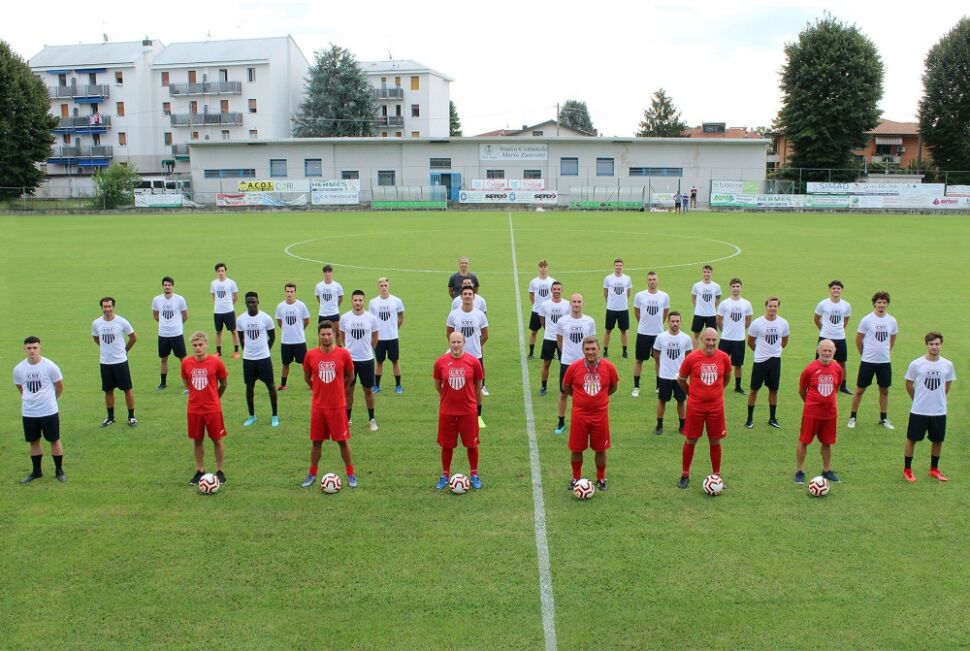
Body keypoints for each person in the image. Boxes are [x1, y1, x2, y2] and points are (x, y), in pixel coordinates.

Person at [301, 320, 358, 489]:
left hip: (338, 406)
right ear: (318, 336)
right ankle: (312, 474)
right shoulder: (310, 355)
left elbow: (351, 376)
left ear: (334, 335)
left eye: (329, 334)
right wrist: (318, 390)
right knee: (316, 443)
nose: (326, 337)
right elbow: (307, 377)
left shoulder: (344, 354)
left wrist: (340, 390)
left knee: (343, 441)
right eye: (323, 334)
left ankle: (350, 474)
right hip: (318, 407)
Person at [676, 327, 732, 489]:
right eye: (708, 340)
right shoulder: (692, 358)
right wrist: (691, 394)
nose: (711, 343)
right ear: (701, 340)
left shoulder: (723, 358)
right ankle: (685, 474)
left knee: (715, 440)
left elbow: (726, 377)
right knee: (691, 439)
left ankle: (716, 475)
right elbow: (681, 379)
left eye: (714, 340)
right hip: (696, 407)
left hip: (716, 407)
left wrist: (717, 391)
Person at [563, 336, 619, 491]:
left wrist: (600, 399)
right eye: (587, 349)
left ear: (599, 350)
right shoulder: (574, 367)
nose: (590, 352)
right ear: (583, 350)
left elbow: (613, 387)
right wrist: (580, 399)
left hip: (600, 416)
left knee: (601, 449)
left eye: (593, 349)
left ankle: (601, 478)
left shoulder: (609, 367)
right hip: (579, 415)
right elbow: (566, 386)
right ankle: (575, 478)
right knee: (576, 448)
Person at [433, 331, 485, 490]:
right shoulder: (440, 362)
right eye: (453, 342)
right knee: (446, 445)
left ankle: (474, 475)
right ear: (449, 343)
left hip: (468, 411)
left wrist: (468, 398)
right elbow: (437, 384)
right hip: (447, 411)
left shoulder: (473, 362)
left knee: (472, 445)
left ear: (464, 343)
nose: (455, 345)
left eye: (458, 342)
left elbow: (478, 383)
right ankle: (445, 475)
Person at [903, 332, 955, 483]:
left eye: (937, 344)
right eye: (931, 344)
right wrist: (916, 399)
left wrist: (937, 400)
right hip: (919, 410)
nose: (934, 347)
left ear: (941, 345)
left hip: (939, 411)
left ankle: (934, 469)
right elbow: (908, 384)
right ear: (926, 345)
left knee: (937, 440)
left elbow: (947, 386)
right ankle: (907, 469)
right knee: (912, 439)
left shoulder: (947, 365)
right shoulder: (916, 364)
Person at [14, 336, 65, 484]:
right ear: (24, 349)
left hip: (48, 411)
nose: (32, 351)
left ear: (40, 348)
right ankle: (37, 472)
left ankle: (59, 471)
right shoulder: (19, 369)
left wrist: (51, 400)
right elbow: (20, 388)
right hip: (29, 412)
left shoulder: (50, 366)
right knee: (33, 441)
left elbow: (60, 387)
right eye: (29, 348)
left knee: (54, 440)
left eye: (35, 348)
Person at [181, 331, 229, 485]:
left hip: (212, 409)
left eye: (200, 345)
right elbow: (186, 383)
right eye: (195, 345)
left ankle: (220, 471)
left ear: (207, 344)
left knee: (217, 439)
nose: (198, 348)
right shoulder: (186, 363)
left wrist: (215, 398)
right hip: (194, 409)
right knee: (197, 441)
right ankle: (200, 470)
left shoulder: (216, 363)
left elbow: (224, 383)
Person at [795, 339, 843, 485]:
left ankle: (827, 470)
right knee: (804, 441)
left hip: (829, 413)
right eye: (824, 350)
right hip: (812, 413)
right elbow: (802, 390)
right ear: (818, 351)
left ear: (834, 352)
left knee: (827, 443)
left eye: (830, 350)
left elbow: (837, 387)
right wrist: (812, 403)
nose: (827, 353)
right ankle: (799, 471)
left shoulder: (837, 368)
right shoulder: (809, 369)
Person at [848, 291, 898, 430]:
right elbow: (858, 339)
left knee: (884, 390)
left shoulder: (892, 321)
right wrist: (863, 354)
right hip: (868, 361)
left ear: (887, 304)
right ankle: (853, 417)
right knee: (859, 390)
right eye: (879, 302)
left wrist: (886, 352)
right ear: (874, 304)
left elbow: (892, 338)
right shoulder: (867, 320)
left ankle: (883, 418)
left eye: (884, 302)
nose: (881, 305)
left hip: (884, 362)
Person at [92, 296, 138, 428]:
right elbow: (96, 338)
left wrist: (125, 351)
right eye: (104, 307)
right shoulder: (96, 323)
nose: (107, 309)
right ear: (101, 308)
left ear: (113, 307)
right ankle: (110, 417)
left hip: (120, 362)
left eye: (109, 306)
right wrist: (105, 349)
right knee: (108, 390)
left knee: (127, 389)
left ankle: (131, 417)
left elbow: (133, 338)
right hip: (105, 362)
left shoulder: (122, 322)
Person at [447, 286, 489, 427]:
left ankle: (478, 416)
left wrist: (476, 345)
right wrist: (457, 348)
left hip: (476, 356)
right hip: (458, 357)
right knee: (457, 385)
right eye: (464, 294)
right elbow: (449, 334)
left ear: (473, 296)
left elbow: (485, 335)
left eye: (469, 294)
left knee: (477, 387)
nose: (467, 296)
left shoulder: (480, 315)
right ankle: (456, 413)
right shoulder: (454, 314)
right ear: (461, 296)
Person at [745, 297, 790, 429]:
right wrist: (758, 351)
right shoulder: (757, 323)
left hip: (775, 361)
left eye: (775, 306)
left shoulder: (783, 323)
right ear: (766, 306)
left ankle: (772, 418)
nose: (773, 309)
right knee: (754, 390)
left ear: (778, 307)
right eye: (770, 306)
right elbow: (751, 341)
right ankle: (749, 419)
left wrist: (778, 350)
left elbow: (785, 339)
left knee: (774, 390)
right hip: (760, 361)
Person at [554, 293, 596, 435]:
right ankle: (561, 422)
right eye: (574, 301)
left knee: (586, 393)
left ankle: (585, 421)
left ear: (582, 303)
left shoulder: (589, 321)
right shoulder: (562, 321)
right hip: (567, 363)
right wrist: (566, 353)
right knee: (563, 393)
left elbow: (591, 343)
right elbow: (559, 341)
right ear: (570, 303)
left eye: (579, 301)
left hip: (584, 364)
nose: (576, 304)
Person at [339, 289, 380, 431]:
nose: (358, 303)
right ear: (351, 301)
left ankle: (372, 419)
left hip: (367, 359)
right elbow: (342, 336)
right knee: (348, 390)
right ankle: (347, 418)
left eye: (360, 300)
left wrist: (369, 349)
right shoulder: (345, 318)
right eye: (355, 300)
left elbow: (375, 336)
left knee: (368, 390)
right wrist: (348, 350)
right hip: (349, 361)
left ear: (364, 301)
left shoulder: (371, 318)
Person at [236, 291, 278, 427]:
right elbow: (241, 337)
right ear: (246, 303)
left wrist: (266, 349)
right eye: (249, 302)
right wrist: (246, 350)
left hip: (264, 358)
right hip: (248, 359)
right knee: (249, 387)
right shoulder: (241, 319)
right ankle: (252, 416)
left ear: (258, 302)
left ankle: (275, 416)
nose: (251, 304)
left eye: (253, 301)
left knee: (271, 386)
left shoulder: (265, 318)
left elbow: (272, 336)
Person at [652, 311, 692, 435]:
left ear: (681, 322)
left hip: (680, 377)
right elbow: (656, 354)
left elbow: (688, 356)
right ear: (668, 321)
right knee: (662, 400)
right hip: (665, 376)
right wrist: (664, 366)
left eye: (677, 321)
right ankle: (659, 425)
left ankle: (682, 425)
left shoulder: (686, 338)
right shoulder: (661, 337)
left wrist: (683, 372)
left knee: (681, 401)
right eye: (673, 321)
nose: (675, 323)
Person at [631, 270, 669, 397]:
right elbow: (636, 311)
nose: (652, 281)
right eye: (650, 279)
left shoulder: (664, 296)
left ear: (657, 280)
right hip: (643, 333)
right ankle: (636, 387)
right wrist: (643, 323)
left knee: (659, 360)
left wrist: (659, 325)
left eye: (654, 279)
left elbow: (665, 312)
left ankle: (659, 386)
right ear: (647, 281)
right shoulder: (640, 296)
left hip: (658, 334)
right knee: (639, 360)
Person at [814, 280, 853, 394]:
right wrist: (823, 329)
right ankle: (816, 383)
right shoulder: (823, 304)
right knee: (819, 361)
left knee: (842, 362)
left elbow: (846, 319)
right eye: (834, 288)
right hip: (825, 337)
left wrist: (839, 329)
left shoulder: (846, 305)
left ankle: (843, 386)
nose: (836, 290)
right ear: (830, 290)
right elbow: (816, 318)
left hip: (840, 337)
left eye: (838, 288)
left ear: (841, 290)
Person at [716, 277, 753, 395]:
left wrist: (740, 330)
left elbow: (748, 320)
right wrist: (725, 330)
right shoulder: (724, 304)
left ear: (741, 288)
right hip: (726, 338)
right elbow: (719, 320)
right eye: (733, 286)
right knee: (721, 363)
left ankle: (738, 386)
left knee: (738, 364)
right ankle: (718, 385)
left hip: (739, 339)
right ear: (730, 288)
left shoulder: (746, 303)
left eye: (738, 286)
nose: (736, 289)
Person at [368, 277, 406, 394]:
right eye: (381, 286)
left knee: (395, 361)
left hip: (392, 337)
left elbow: (401, 317)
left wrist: (395, 328)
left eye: (385, 285)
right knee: (379, 362)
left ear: (389, 286)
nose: (384, 288)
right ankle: (376, 385)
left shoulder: (396, 301)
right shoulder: (373, 302)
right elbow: (371, 321)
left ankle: (398, 385)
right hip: (379, 338)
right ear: (378, 287)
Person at [151, 276, 188, 392]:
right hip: (163, 334)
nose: (167, 287)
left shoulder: (179, 299)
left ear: (172, 286)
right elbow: (156, 315)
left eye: (169, 285)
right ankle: (163, 383)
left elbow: (185, 316)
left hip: (176, 334)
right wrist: (164, 324)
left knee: (183, 359)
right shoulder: (157, 300)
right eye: (165, 285)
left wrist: (177, 325)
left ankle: (187, 384)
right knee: (163, 359)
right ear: (162, 286)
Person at [274, 283, 310, 391]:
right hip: (286, 341)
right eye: (288, 291)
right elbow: (279, 322)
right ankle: (283, 385)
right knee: (285, 364)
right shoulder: (280, 306)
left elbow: (306, 320)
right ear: (284, 292)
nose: (289, 294)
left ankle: (311, 383)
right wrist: (287, 330)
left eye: (292, 291)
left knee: (304, 363)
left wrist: (299, 329)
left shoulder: (301, 305)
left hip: (299, 340)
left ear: (295, 292)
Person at [538, 281, 570, 396]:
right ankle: (543, 386)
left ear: (562, 290)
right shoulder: (545, 305)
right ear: (551, 290)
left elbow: (570, 320)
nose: (556, 291)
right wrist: (549, 330)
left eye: (558, 289)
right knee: (546, 363)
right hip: (549, 338)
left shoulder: (567, 304)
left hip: (563, 339)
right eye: (554, 289)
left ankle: (565, 386)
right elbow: (542, 320)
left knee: (565, 363)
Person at [602, 258, 633, 359]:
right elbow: (605, 292)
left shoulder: (627, 278)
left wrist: (622, 301)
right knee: (608, 330)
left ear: (623, 266)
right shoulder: (608, 278)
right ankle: (605, 350)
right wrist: (610, 302)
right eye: (617, 265)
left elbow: (628, 292)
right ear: (614, 266)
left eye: (620, 265)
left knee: (624, 330)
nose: (618, 267)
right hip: (611, 309)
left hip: (623, 309)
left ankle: (625, 351)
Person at [210, 262, 240, 358]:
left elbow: (235, 297)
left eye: (222, 271)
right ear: (216, 272)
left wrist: (229, 304)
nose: (221, 273)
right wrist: (219, 304)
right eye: (219, 271)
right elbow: (214, 297)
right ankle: (218, 352)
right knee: (218, 331)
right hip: (217, 312)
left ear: (225, 271)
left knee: (233, 331)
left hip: (229, 311)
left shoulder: (231, 283)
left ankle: (236, 351)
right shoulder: (213, 283)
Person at [527, 259, 555, 359]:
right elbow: (531, 295)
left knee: (551, 332)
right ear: (538, 268)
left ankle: (553, 352)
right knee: (534, 332)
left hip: (548, 312)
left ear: (547, 268)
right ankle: (531, 352)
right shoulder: (534, 282)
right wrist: (536, 305)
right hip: (536, 311)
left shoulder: (552, 281)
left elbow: (555, 295)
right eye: (541, 267)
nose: (543, 268)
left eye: (545, 266)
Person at [690, 265, 722, 348]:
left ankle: (711, 352)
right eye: (705, 272)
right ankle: (695, 353)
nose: (706, 274)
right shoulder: (696, 285)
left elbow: (718, 298)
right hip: (699, 314)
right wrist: (698, 307)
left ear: (711, 273)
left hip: (711, 314)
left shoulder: (716, 286)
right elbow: (693, 298)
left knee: (713, 335)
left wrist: (712, 307)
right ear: (702, 273)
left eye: (708, 272)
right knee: (696, 334)